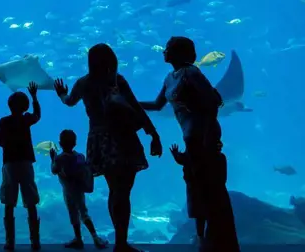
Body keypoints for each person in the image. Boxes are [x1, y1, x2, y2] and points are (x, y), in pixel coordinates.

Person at [53, 43, 162, 252]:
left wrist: (61, 94)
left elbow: (69, 101)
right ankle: (121, 243)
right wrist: (152, 133)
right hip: (123, 138)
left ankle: (121, 243)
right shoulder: (117, 81)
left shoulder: (83, 83)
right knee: (123, 192)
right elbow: (136, 108)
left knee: (116, 191)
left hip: (99, 140)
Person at [140, 36, 239, 252]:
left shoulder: (192, 73)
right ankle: (203, 239)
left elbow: (213, 102)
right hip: (191, 141)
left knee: (210, 191)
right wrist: (132, 103)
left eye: (167, 49)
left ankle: (220, 242)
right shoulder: (169, 78)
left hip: (204, 139)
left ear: (178, 53)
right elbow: (157, 105)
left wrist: (208, 138)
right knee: (196, 190)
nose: (163, 52)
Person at [0, 82, 42, 251]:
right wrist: (35, 97)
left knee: (9, 202)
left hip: (9, 163)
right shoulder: (26, 119)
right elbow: (37, 115)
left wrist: (10, 142)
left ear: (9, 106)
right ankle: (35, 241)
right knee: (31, 202)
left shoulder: (4, 121)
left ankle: (10, 242)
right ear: (25, 106)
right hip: (25, 162)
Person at [49, 130, 108, 250]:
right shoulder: (80, 156)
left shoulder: (60, 159)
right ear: (75, 143)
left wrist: (53, 158)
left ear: (60, 144)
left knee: (73, 214)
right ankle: (95, 237)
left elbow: (54, 170)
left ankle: (79, 239)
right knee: (84, 213)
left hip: (68, 191)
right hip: (79, 190)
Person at [169, 141, 227, 246]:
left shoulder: (201, 154)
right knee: (203, 216)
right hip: (206, 190)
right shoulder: (218, 157)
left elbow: (184, 160)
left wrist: (177, 155)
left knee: (201, 216)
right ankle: (203, 239)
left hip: (201, 190)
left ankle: (201, 239)